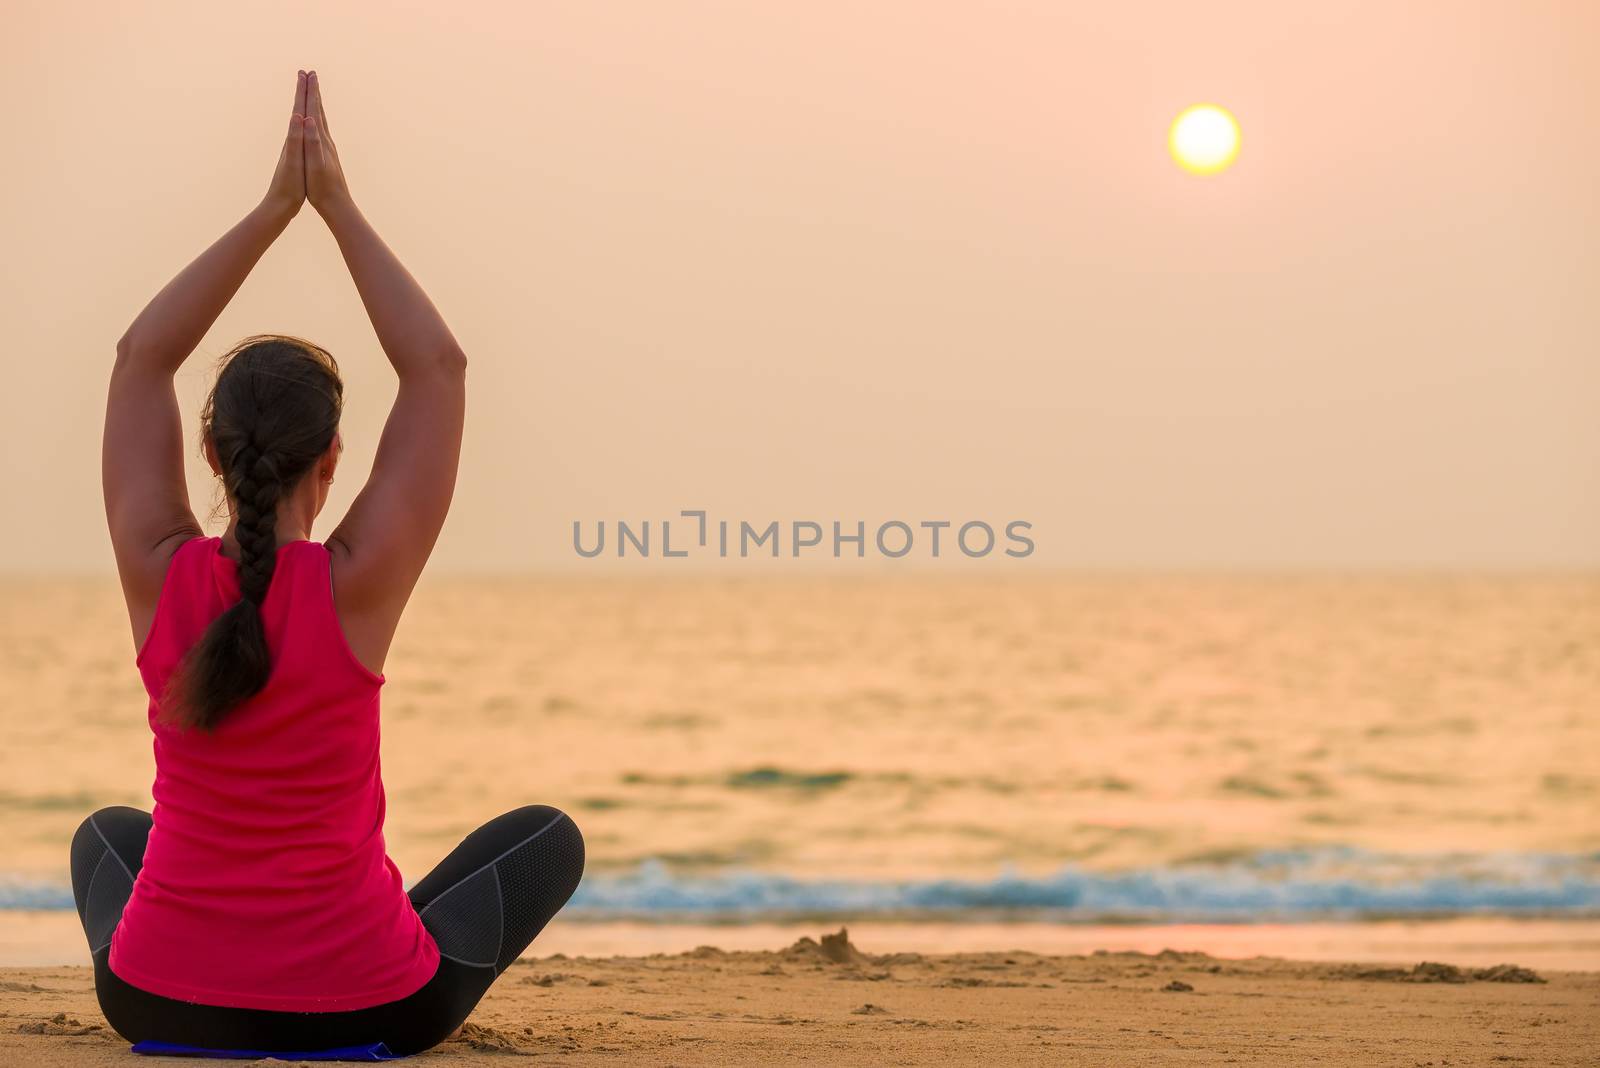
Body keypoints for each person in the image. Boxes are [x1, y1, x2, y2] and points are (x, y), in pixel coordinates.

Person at [71, 70, 584, 1057]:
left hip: (159, 1005)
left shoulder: (158, 572)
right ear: (336, 459)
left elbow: (141, 358)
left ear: (211, 455)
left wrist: (270, 211)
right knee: (546, 838)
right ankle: (345, 961)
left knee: (107, 837)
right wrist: (334, 206)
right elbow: (438, 367)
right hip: (365, 1009)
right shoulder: (360, 584)